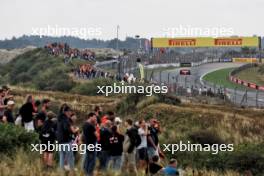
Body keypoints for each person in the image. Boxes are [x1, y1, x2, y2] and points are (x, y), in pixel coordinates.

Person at [57, 105, 78, 171]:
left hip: (60, 141)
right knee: (70, 157)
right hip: (66, 141)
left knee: (62, 158)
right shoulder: (65, 119)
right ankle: (72, 171)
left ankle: (61, 172)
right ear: (67, 112)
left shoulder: (60, 119)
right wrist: (74, 130)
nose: (70, 113)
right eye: (70, 111)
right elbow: (66, 128)